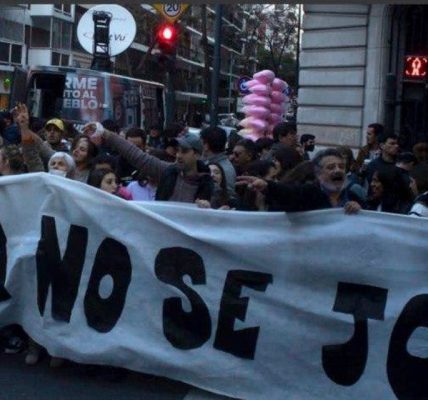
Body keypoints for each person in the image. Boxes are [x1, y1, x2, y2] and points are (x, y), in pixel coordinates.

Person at [84, 123, 214, 204]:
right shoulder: (168, 171)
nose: (179, 155)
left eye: (184, 151)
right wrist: (105, 133)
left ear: (197, 154)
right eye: (177, 151)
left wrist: (208, 208)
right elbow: (135, 155)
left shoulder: (210, 183)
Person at [236, 148, 363, 214]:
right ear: (318, 173)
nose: (338, 170)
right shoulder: (310, 194)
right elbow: (289, 194)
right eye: (331, 167)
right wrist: (267, 186)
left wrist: (360, 211)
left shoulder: (353, 196)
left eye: (341, 166)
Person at [200, 126, 236, 195]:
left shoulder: (225, 170)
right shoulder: (206, 162)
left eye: (200, 142)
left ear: (206, 145)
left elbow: (227, 197)